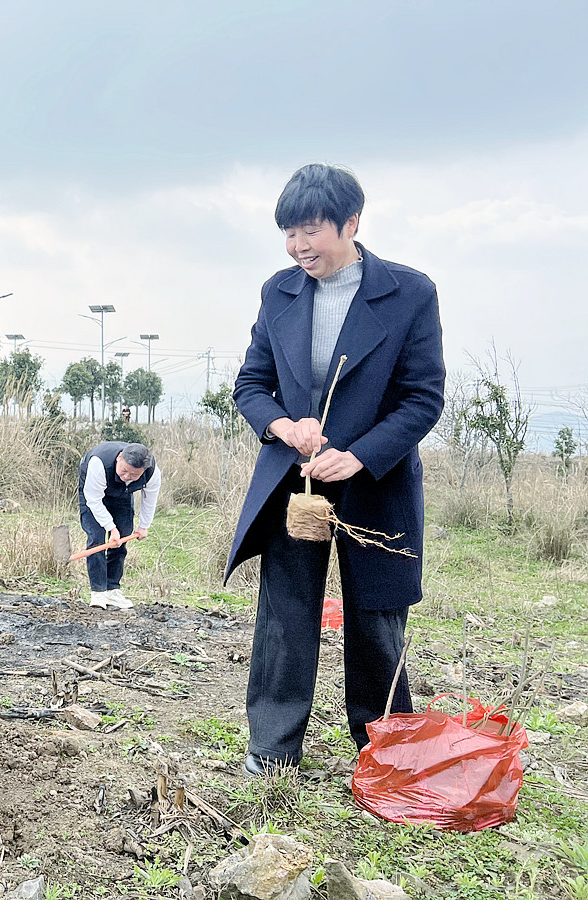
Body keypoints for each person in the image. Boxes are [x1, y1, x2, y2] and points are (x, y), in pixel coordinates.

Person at [226, 164, 445, 776]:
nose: (298, 248)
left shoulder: (409, 292)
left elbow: (422, 398)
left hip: (377, 480)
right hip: (295, 481)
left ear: (351, 223)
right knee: (284, 613)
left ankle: (383, 752)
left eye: (310, 232)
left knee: (376, 618)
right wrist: (284, 427)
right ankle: (271, 750)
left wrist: (361, 454)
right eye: (289, 234)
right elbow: (252, 385)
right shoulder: (279, 292)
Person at [77, 442, 161, 610]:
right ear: (119, 458)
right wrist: (110, 528)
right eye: (124, 471)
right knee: (97, 538)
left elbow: (149, 499)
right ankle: (98, 592)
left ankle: (112, 589)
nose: (127, 477)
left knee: (122, 537)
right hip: (93, 492)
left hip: (122, 495)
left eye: (134, 475)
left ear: (143, 471)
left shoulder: (152, 473)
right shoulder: (98, 463)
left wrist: (144, 526)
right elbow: (93, 500)